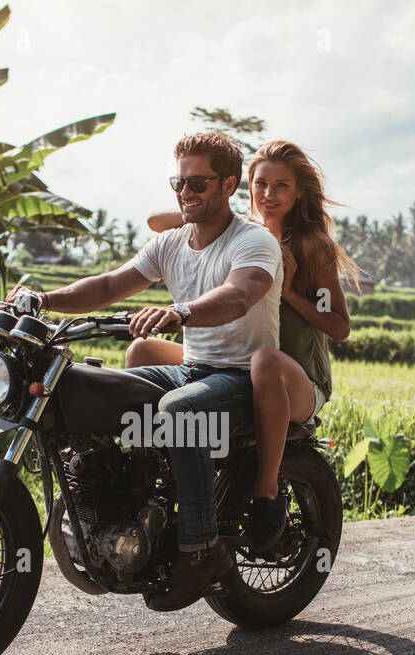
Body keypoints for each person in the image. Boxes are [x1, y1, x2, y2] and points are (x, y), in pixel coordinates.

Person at [5, 132, 282, 611]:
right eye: (179, 182)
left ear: (228, 184)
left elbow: (240, 293)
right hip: (192, 369)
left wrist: (182, 312)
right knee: (91, 389)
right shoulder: (171, 243)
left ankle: (201, 550)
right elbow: (111, 284)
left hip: (239, 378)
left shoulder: (253, 241)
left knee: (178, 411)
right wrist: (46, 301)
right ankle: (124, 501)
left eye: (198, 183)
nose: (185, 193)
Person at [133, 140, 357, 551]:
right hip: (233, 362)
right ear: (245, 187)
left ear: (299, 193)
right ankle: (158, 476)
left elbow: (339, 326)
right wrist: (195, 208)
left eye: (281, 187)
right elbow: (153, 221)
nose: (269, 196)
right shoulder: (242, 233)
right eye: (261, 185)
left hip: (296, 378)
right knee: (142, 351)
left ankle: (267, 490)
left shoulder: (311, 246)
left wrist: (288, 291)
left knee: (265, 361)